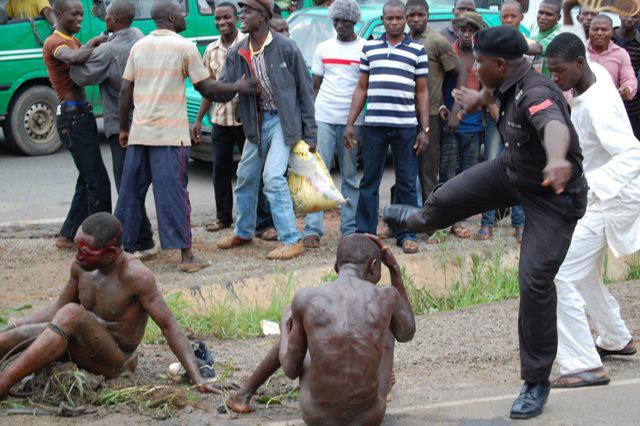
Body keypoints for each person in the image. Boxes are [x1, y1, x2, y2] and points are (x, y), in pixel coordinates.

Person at [383, 26, 588, 419]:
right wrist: (475, 99)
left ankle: (536, 381)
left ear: (499, 64)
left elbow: (553, 126)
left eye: (479, 63)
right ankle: (421, 220)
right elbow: (490, 94)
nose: (472, 67)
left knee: (534, 281)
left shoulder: (536, 93)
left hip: (552, 197)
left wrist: (559, 160)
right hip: (513, 172)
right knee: (450, 194)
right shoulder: (505, 80)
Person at [0, 213, 231, 399]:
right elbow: (57, 308)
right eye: (77, 249)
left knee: (71, 314)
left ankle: (5, 382)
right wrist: (15, 326)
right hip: (79, 342)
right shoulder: (81, 267)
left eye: (85, 252)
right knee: (15, 336)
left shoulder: (136, 276)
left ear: (111, 252)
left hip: (116, 360)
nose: (78, 256)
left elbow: (169, 325)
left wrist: (198, 378)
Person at [116, 0, 258, 272]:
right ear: (171, 17)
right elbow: (208, 88)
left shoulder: (139, 46)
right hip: (170, 137)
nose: (184, 16)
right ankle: (186, 257)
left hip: (140, 134)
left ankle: (122, 254)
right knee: (175, 196)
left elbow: (125, 91)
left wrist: (125, 128)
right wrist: (238, 85)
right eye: (180, 13)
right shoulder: (184, 46)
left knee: (130, 194)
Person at [223, 234, 416, 425]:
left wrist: (284, 327)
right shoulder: (386, 297)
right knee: (389, 328)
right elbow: (406, 333)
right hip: (370, 417)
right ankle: (375, 384)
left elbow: (290, 370)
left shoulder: (307, 299)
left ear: (336, 267)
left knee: (300, 332)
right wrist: (394, 268)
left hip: (318, 417)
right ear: (374, 267)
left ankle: (243, 395)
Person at [545, 33, 638, 388]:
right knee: (580, 271)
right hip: (598, 196)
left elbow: (632, 154)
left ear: (579, 64)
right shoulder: (588, 81)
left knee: (558, 274)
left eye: (558, 71)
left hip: (611, 197)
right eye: (550, 72)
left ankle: (584, 364)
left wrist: (587, 185)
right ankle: (615, 337)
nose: (555, 79)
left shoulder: (597, 104)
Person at [214, 0, 317, 260]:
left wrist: (310, 134)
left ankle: (292, 239)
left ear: (262, 16)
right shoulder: (237, 52)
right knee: (246, 176)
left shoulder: (286, 47)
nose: (241, 16)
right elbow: (222, 93)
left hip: (283, 123)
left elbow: (305, 92)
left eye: (247, 12)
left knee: (272, 178)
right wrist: (238, 86)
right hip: (256, 126)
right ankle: (244, 231)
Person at [68, 0, 156, 259]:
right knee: (137, 180)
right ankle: (145, 236)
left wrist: (88, 46)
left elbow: (80, 75)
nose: (104, 18)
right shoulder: (139, 36)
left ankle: (137, 241)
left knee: (125, 183)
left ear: (115, 18)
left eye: (107, 16)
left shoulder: (108, 50)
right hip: (145, 119)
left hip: (121, 125)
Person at [345, 0, 429, 255]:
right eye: (389, 18)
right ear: (382, 20)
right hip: (375, 126)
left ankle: (406, 233)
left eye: (398, 18)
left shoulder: (417, 50)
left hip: (405, 127)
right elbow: (361, 87)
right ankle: (366, 233)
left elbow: (422, 91)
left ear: (404, 20)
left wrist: (424, 129)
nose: (394, 22)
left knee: (406, 181)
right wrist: (350, 123)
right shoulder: (370, 48)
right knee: (370, 180)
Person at [192, 2, 276, 241]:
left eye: (226, 17)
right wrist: (199, 120)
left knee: (253, 173)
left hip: (247, 121)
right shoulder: (211, 50)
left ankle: (262, 222)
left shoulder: (248, 43)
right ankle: (223, 217)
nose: (222, 23)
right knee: (220, 170)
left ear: (235, 17)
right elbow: (210, 89)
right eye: (218, 19)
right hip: (220, 120)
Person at [43, 0, 112, 251]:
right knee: (98, 182)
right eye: (75, 14)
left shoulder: (70, 38)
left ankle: (68, 235)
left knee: (86, 179)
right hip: (73, 119)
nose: (80, 18)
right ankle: (98, 241)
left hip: (80, 115)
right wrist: (93, 46)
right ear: (59, 14)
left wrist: (94, 41)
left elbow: (79, 52)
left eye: (82, 14)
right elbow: (73, 58)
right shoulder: (55, 42)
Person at [301, 0, 364, 248]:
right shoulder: (323, 48)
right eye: (336, 20)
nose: (339, 25)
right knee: (318, 174)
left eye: (345, 20)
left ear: (354, 21)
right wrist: (309, 123)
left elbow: (364, 88)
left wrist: (353, 121)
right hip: (323, 117)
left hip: (353, 121)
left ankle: (348, 228)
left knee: (350, 176)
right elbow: (314, 87)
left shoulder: (364, 48)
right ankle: (313, 229)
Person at [475, 0, 526, 242]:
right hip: (496, 116)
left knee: (518, 168)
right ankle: (486, 223)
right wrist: (494, 109)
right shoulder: (493, 42)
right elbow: (485, 80)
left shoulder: (528, 44)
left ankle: (520, 223)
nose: (507, 21)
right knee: (491, 167)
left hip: (519, 117)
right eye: (504, 17)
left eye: (512, 17)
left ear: (521, 18)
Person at [405, 0, 464, 204]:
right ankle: (403, 221)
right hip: (404, 114)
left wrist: (456, 108)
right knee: (404, 171)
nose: (415, 19)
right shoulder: (402, 40)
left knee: (428, 172)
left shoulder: (436, 41)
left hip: (429, 115)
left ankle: (432, 225)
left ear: (427, 16)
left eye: (420, 15)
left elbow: (459, 73)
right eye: (411, 15)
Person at [439, 12, 485, 240]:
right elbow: (435, 82)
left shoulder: (482, 54)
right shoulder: (449, 51)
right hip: (452, 122)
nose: (467, 35)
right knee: (448, 173)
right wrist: (447, 111)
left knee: (468, 174)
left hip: (474, 123)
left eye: (472, 30)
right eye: (462, 30)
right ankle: (451, 220)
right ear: (456, 30)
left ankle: (459, 216)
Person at [587, 15, 637, 102]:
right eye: (595, 29)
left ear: (612, 32)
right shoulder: (579, 50)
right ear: (589, 31)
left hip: (610, 107)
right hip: (583, 106)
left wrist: (627, 89)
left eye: (604, 30)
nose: (599, 33)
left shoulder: (621, 54)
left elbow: (629, 78)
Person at [613, 12, 640, 138]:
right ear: (619, 15)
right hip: (604, 100)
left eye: (635, 16)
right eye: (626, 15)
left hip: (630, 103)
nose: (629, 19)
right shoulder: (606, 36)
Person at [530, 0, 562, 77]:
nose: (543, 17)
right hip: (533, 80)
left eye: (549, 14)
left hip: (550, 84)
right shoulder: (534, 26)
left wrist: (515, 45)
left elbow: (538, 49)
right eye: (540, 12)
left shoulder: (559, 33)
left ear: (558, 17)